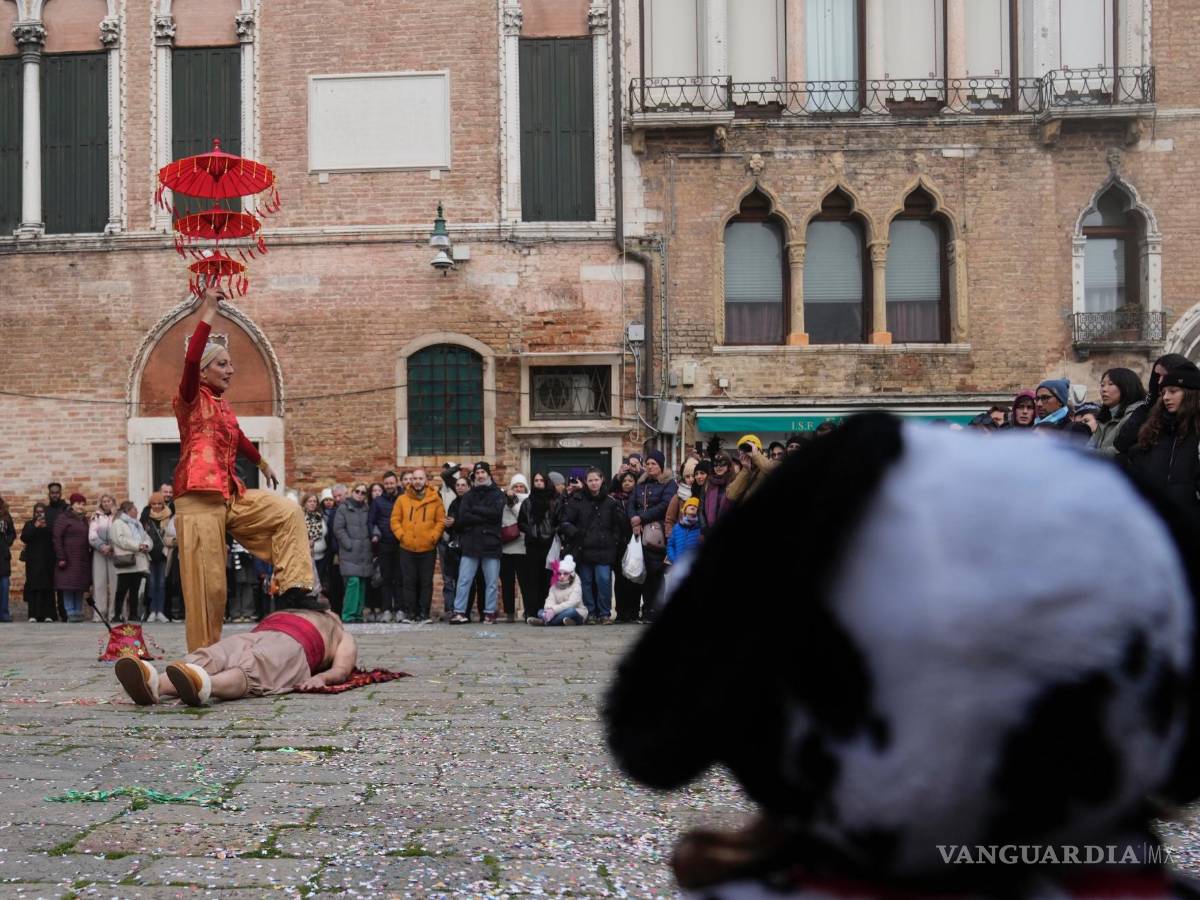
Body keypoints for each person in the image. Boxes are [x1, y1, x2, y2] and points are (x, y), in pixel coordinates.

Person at [172, 289, 315, 653]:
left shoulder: (223, 406)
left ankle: (294, 589)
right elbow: (191, 358)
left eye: (230, 365)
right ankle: (202, 658)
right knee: (211, 589)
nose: (231, 370)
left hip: (229, 494)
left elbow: (239, 437)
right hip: (198, 499)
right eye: (222, 364)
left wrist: (262, 463)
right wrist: (209, 310)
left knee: (286, 512)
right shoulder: (190, 398)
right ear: (204, 370)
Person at [114, 608, 359, 706]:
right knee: (212, 655)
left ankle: (205, 686)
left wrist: (322, 679)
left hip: (297, 646)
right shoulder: (302, 608)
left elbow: (342, 669)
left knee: (256, 665)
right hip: (258, 634)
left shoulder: (340, 632)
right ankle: (155, 685)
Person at [559, 467, 629, 626]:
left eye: (596, 479)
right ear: (586, 482)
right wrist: (576, 534)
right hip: (583, 549)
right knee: (586, 582)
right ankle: (590, 612)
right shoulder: (577, 500)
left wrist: (614, 540)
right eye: (590, 480)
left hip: (605, 549)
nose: (594, 483)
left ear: (602, 480)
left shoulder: (610, 502)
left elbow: (617, 525)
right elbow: (565, 521)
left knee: (603, 580)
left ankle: (604, 613)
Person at [1127, 367, 1200, 512]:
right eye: (1163, 392)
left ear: (1191, 393)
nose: (1166, 397)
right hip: (1153, 515)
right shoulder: (1154, 430)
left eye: (1173, 391)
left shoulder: (1196, 433)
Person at [450, 462, 505, 625]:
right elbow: (463, 517)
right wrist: (484, 515)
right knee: (464, 580)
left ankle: (489, 612)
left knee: (491, 582)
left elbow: (496, 515)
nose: (480, 475)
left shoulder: (497, 494)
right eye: (477, 473)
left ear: (488, 474)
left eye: (482, 472)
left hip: (491, 542)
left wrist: (475, 510)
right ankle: (459, 611)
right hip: (471, 543)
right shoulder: (469, 495)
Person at [626, 450, 676, 623]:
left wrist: (642, 518)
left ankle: (656, 610)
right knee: (644, 574)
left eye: (653, 463)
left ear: (661, 466)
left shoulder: (669, 484)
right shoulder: (640, 484)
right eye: (647, 464)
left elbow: (665, 505)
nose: (649, 466)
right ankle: (647, 610)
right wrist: (634, 519)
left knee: (656, 573)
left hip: (657, 535)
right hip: (639, 533)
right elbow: (631, 503)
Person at [391, 467, 445, 625]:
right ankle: (410, 613)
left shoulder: (435, 499)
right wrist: (402, 536)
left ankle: (424, 614)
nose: (417, 481)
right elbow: (395, 520)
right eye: (415, 478)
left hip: (427, 548)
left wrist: (433, 537)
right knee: (409, 581)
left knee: (426, 582)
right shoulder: (402, 499)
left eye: (420, 478)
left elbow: (440, 521)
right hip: (407, 547)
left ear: (426, 481)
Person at [1115, 353, 1195, 457]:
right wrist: (1148, 405)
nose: (1159, 381)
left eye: (1164, 376)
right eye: (1157, 376)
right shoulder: (1148, 409)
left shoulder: (1193, 417)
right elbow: (1121, 443)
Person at [518, 472, 557, 624]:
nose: (539, 483)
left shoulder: (554, 501)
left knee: (547, 579)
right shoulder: (527, 502)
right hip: (533, 545)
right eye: (536, 480)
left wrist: (551, 532)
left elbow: (558, 520)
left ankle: (545, 610)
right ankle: (532, 611)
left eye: (541, 480)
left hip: (549, 545)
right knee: (532, 579)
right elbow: (521, 522)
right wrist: (530, 531)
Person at [333, 483, 371, 624]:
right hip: (349, 552)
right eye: (357, 491)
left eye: (363, 492)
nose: (360, 494)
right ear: (352, 492)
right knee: (353, 582)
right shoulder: (343, 508)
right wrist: (348, 544)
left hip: (364, 551)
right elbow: (338, 529)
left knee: (362, 583)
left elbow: (372, 524)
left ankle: (358, 614)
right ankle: (348, 614)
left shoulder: (367, 508)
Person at [1091, 366, 1148, 459]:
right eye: (1102, 385)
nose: (1104, 389)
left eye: (1110, 384)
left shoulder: (1135, 416)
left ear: (1127, 387)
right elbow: (1090, 445)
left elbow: (1116, 452)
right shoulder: (1105, 417)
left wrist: (1086, 456)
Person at [369, 471, 403, 623]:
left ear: (396, 483)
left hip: (401, 543)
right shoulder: (378, 502)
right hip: (384, 544)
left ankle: (400, 609)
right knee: (386, 578)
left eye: (391, 483)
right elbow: (371, 521)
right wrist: (374, 534)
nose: (389, 486)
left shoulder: (403, 498)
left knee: (400, 578)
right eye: (387, 483)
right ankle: (387, 609)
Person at [110, 500, 152, 622]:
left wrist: (146, 545)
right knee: (121, 590)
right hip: (126, 560)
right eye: (134, 509)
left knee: (135, 589)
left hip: (138, 561)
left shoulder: (137, 524)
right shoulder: (118, 523)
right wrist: (138, 546)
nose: (137, 511)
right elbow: (120, 540)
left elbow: (146, 538)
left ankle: (133, 614)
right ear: (128, 511)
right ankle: (117, 614)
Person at [52, 493, 91, 623]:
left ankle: (78, 611)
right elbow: (57, 538)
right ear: (72, 504)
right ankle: (70, 612)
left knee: (79, 586)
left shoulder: (84, 519)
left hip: (81, 558)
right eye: (78, 503)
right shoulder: (64, 518)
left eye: (83, 504)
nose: (81, 506)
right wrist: (61, 557)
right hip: (68, 558)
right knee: (68, 586)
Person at [499, 474, 529, 623]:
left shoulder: (528, 500)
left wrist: (513, 502)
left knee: (525, 582)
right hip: (506, 547)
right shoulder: (504, 500)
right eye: (515, 486)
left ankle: (528, 610)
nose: (518, 489)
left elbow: (523, 517)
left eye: (521, 486)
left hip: (522, 547)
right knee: (507, 582)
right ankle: (509, 612)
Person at [141, 492, 174, 623]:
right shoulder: (145, 517)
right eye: (154, 504)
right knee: (151, 584)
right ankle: (152, 611)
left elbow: (172, 534)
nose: (156, 506)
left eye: (159, 504)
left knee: (161, 584)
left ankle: (160, 611)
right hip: (149, 555)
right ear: (150, 504)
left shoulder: (169, 516)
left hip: (163, 554)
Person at [20, 503, 56, 622]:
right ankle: (33, 615)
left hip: (47, 561)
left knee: (47, 587)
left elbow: (54, 537)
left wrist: (46, 527)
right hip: (33, 562)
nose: (39, 514)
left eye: (42, 512)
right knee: (33, 587)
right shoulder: (29, 524)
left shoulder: (49, 524)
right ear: (34, 513)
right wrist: (35, 526)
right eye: (37, 512)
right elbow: (24, 537)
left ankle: (48, 615)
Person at [528, 556, 586, 626]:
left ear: (571, 575)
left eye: (565, 574)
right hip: (558, 612)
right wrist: (549, 610)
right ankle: (562, 621)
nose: (562, 576)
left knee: (571, 611)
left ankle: (545, 622)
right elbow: (549, 601)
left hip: (575, 611)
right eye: (559, 574)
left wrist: (554, 610)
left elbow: (572, 603)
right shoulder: (554, 587)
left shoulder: (576, 586)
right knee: (540, 611)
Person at [87, 494, 118, 623]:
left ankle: (114, 614)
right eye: (104, 501)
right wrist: (102, 546)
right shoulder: (96, 517)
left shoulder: (119, 516)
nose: (106, 503)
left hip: (115, 552)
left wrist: (112, 546)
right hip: (99, 552)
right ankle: (99, 614)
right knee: (99, 583)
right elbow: (92, 535)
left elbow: (121, 532)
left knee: (115, 584)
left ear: (113, 502)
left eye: (108, 501)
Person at [727, 435, 779, 506]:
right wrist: (746, 470)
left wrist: (756, 456)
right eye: (743, 451)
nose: (747, 453)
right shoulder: (740, 469)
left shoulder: (770, 464)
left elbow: (773, 470)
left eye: (750, 449)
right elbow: (731, 495)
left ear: (759, 451)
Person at [701, 453, 733, 535]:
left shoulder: (734, 481)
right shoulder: (708, 482)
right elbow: (701, 508)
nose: (718, 467)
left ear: (728, 465)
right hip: (709, 530)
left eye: (722, 464)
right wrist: (704, 527)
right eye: (715, 464)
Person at [665, 497, 702, 567]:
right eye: (690, 505)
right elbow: (670, 545)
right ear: (684, 509)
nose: (693, 507)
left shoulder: (700, 529)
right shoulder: (677, 527)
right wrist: (674, 559)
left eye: (695, 506)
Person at [665, 459, 697, 537]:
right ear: (683, 478)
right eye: (687, 476)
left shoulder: (703, 494)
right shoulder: (678, 497)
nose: (691, 479)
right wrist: (672, 538)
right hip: (681, 537)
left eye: (693, 476)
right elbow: (669, 520)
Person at [0, 496, 13, 622]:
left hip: (3, 555)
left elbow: (12, 533)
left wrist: (6, 542)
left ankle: (4, 613)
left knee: (4, 585)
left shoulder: (6, 516)